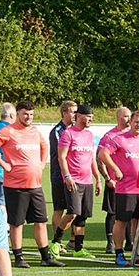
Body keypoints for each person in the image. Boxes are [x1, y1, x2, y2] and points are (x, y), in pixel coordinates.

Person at [0, 101, 64, 269]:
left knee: (41, 220)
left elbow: (44, 146)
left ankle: (45, 256)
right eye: (25, 114)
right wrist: (3, 164)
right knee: (17, 223)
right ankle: (19, 257)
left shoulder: (35, 131)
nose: (28, 117)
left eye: (31, 114)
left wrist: (42, 163)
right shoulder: (8, 131)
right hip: (15, 186)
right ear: (18, 114)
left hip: (35, 185)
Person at [103, 111, 139, 266]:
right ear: (130, 122)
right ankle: (119, 254)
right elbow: (103, 154)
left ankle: (137, 253)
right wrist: (115, 169)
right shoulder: (120, 139)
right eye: (136, 122)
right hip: (125, 189)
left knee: (138, 222)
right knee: (122, 221)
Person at [52, 104, 98, 259]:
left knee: (83, 216)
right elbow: (61, 157)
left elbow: (92, 159)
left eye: (92, 116)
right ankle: (56, 242)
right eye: (88, 116)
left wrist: (97, 178)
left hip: (87, 181)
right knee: (72, 213)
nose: (91, 119)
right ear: (79, 116)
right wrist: (67, 176)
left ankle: (78, 248)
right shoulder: (67, 134)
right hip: (74, 180)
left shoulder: (90, 135)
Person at [97, 107, 131, 253]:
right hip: (115, 182)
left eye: (130, 116)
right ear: (118, 117)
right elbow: (100, 158)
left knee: (130, 212)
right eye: (126, 116)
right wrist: (107, 178)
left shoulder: (133, 136)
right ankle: (110, 243)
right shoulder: (109, 136)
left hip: (130, 183)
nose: (129, 119)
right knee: (112, 213)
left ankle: (129, 243)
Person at [47, 101, 77, 249]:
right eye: (72, 112)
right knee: (59, 208)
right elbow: (63, 153)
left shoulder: (77, 130)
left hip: (76, 176)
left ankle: (72, 241)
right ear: (64, 113)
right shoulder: (57, 131)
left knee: (74, 210)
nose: (75, 115)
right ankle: (56, 242)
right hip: (60, 176)